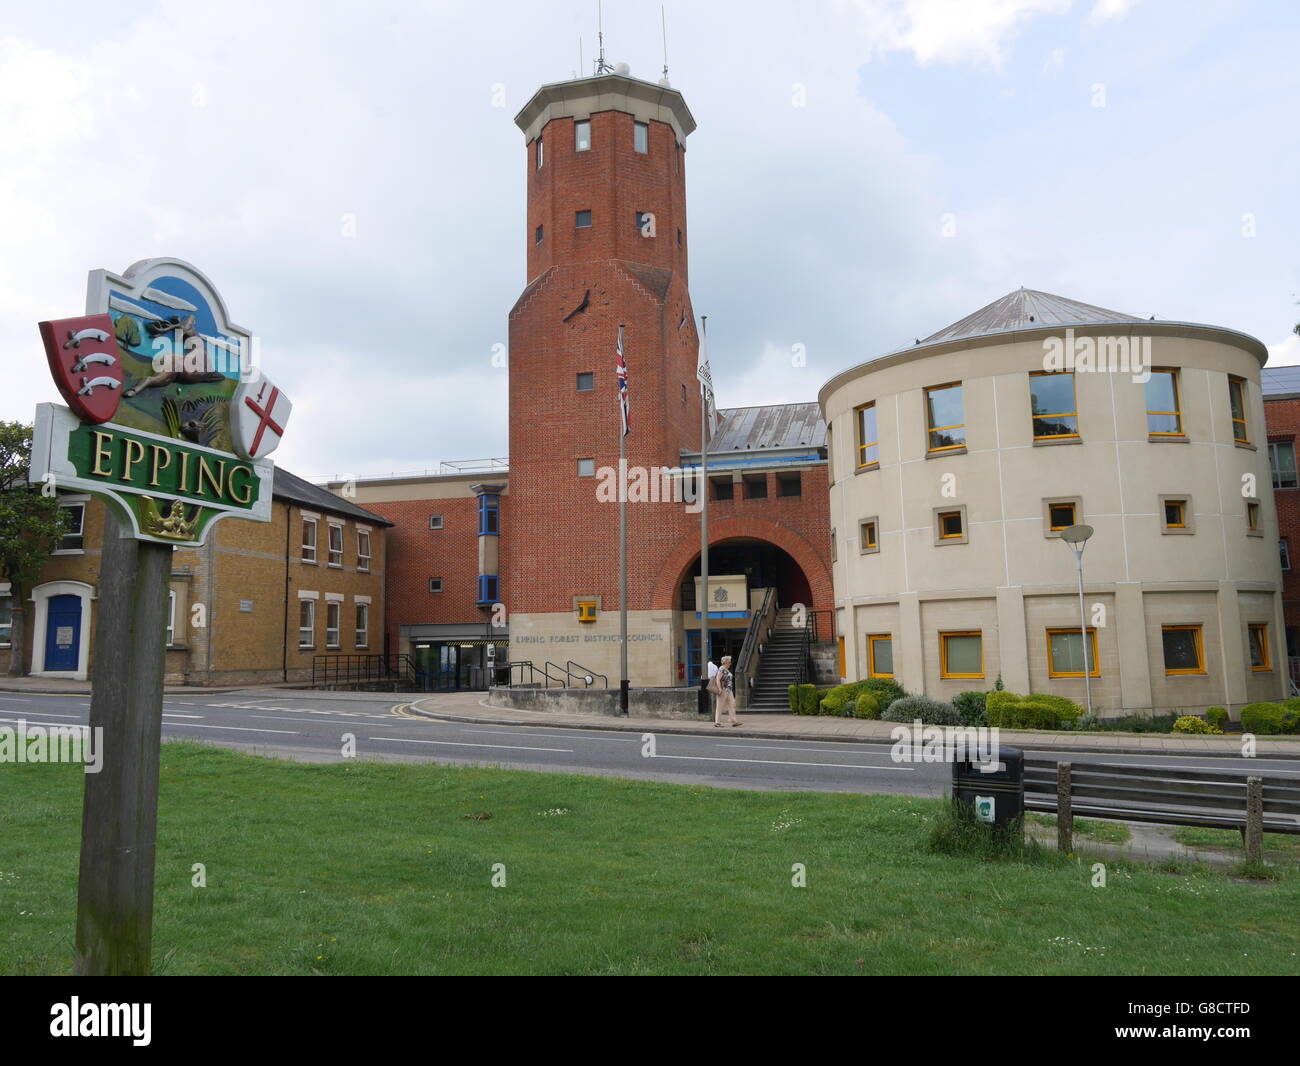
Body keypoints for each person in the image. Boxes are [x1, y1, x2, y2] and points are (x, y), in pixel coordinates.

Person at [714, 654, 740, 727]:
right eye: (729, 662)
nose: (730, 663)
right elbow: (717, 679)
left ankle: (733, 721)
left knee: (732, 705)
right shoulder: (721, 669)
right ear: (725, 662)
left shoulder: (726, 669)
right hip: (723, 690)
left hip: (729, 690)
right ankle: (717, 722)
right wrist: (719, 688)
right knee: (720, 706)